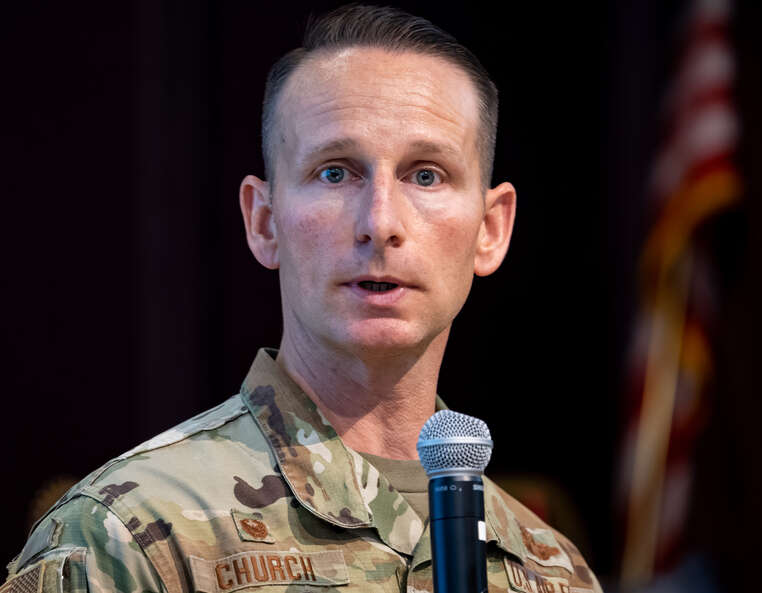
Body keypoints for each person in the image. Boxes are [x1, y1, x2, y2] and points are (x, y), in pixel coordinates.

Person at [4, 5, 602, 593]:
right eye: (336, 173)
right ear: (263, 221)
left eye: (426, 174)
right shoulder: (126, 539)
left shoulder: (551, 570)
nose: (380, 222)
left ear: (491, 229)